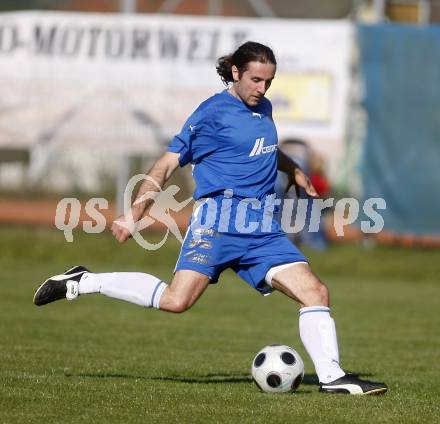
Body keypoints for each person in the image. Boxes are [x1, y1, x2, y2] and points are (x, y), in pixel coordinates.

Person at [33, 41, 387, 395]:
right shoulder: (211, 113)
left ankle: (332, 378)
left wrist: (293, 169)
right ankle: (84, 280)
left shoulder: (262, 107)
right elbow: (168, 163)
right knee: (176, 301)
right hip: (217, 223)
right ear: (236, 73)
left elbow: (260, 148)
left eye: (269, 81)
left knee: (316, 292)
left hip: (260, 228)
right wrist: (135, 213)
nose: (263, 89)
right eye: (256, 80)